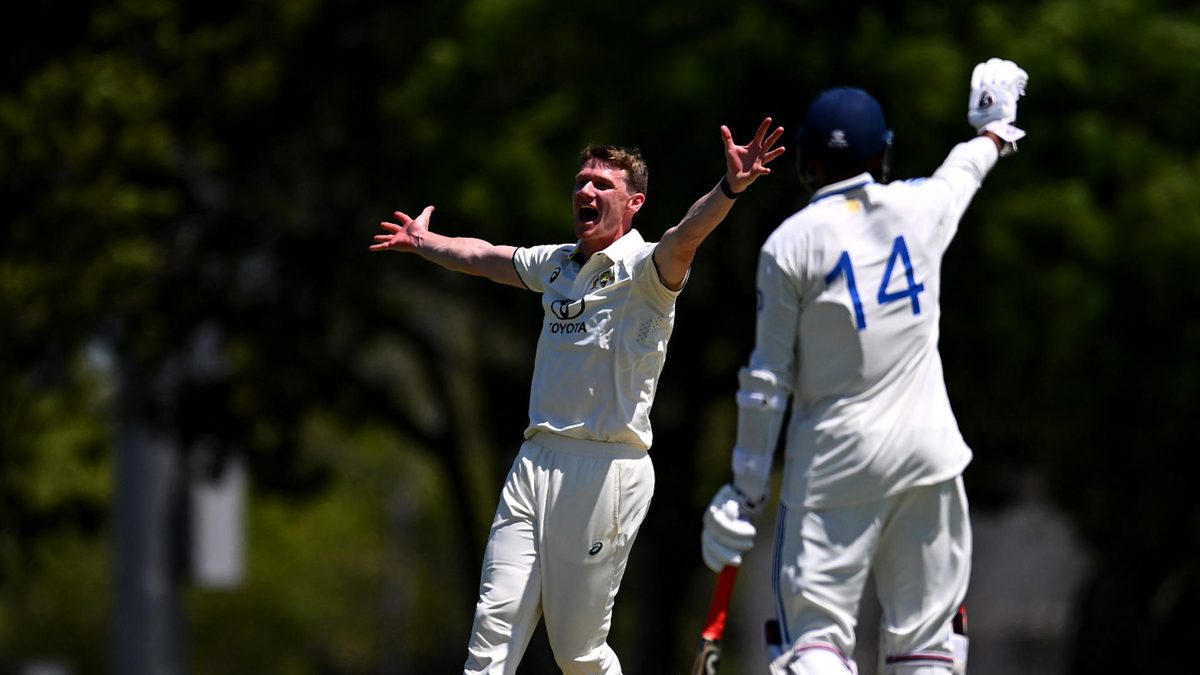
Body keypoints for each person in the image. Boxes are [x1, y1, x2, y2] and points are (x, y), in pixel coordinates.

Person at [371, 118, 785, 674]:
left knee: (577, 652)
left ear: (634, 203)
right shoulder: (560, 263)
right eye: (581, 181)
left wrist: (730, 188)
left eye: (602, 185)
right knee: (490, 634)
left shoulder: (647, 269)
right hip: (535, 459)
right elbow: (484, 256)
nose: (586, 191)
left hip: (607, 466)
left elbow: (687, 233)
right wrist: (425, 242)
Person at [699, 58, 1029, 675]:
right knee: (929, 646)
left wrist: (745, 493)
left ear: (806, 160)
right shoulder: (921, 208)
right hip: (928, 456)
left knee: (816, 642)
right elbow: (963, 169)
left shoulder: (788, 245)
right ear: (884, 155)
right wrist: (994, 128)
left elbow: (766, 384)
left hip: (834, 466)